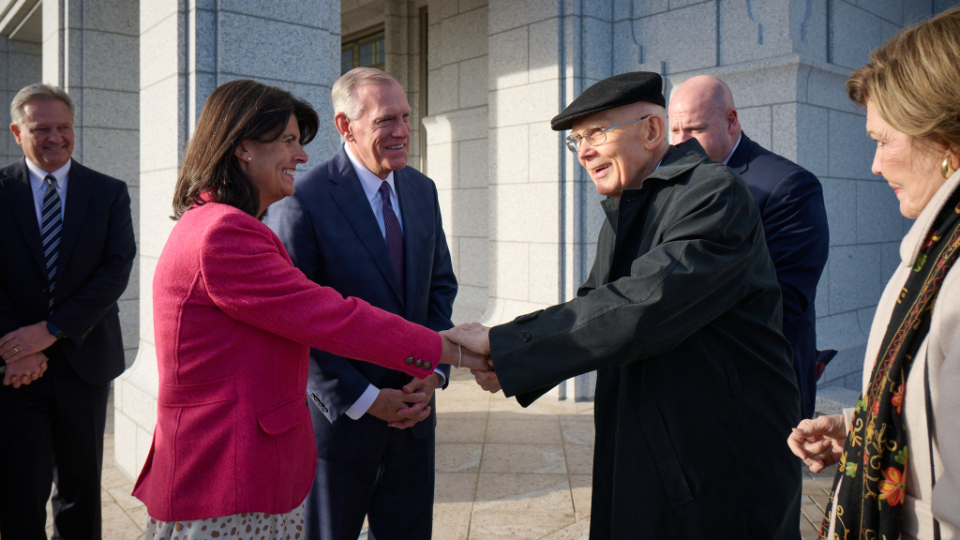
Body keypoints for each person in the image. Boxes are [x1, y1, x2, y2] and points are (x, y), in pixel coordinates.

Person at [447, 71, 801, 539]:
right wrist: (508, 358)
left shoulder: (713, 193)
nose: (585, 151)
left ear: (653, 131)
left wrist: (507, 345)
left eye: (596, 133)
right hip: (658, 447)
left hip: (716, 458)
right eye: (577, 141)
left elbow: (644, 305)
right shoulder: (631, 204)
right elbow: (598, 307)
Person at [130, 79, 485, 539]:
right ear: (244, 149)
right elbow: (331, 318)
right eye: (289, 141)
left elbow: (435, 284)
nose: (301, 156)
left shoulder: (218, 223)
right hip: (227, 479)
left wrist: (433, 369)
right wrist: (455, 351)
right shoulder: (225, 235)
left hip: (244, 476)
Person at [787, 7, 960, 540]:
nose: (875, 165)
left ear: (946, 136)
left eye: (885, 140)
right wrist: (864, 434)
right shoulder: (938, 249)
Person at [266, 67, 456, 540]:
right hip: (341, 428)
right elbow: (294, 322)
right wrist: (368, 400)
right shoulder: (301, 201)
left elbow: (440, 287)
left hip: (414, 418)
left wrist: (431, 372)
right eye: (387, 120)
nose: (403, 132)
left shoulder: (422, 190)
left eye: (407, 117)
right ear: (346, 126)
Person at [0, 83, 136, 539]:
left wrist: (53, 330)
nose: (55, 137)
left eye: (64, 127)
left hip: (85, 362)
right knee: (20, 488)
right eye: (41, 129)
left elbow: (115, 271)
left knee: (80, 490)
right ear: (17, 132)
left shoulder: (109, 192)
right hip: (15, 370)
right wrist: (16, 346)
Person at [669, 75, 831, 419]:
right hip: (696, 383)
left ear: (731, 120)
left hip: (762, 384)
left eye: (695, 130)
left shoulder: (788, 186)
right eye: (674, 131)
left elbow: (787, 297)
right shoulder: (676, 182)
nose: (681, 144)